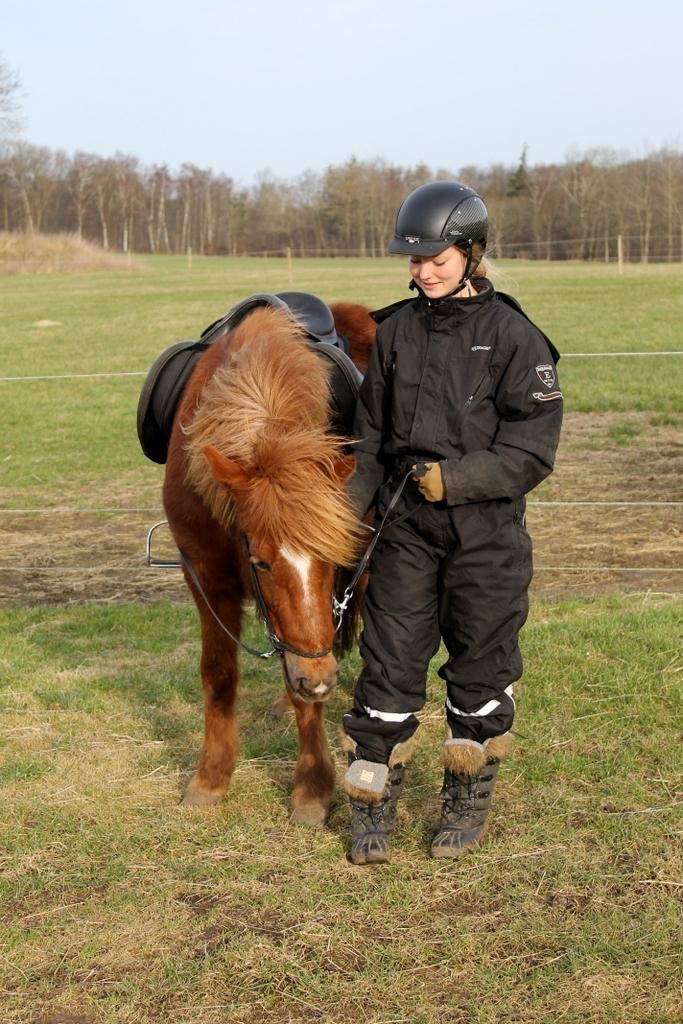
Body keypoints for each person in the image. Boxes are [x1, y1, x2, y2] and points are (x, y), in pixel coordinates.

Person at [341, 181, 563, 865]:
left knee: (480, 671)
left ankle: (464, 800)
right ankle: (370, 804)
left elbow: (531, 450)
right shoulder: (397, 334)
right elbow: (371, 441)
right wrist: (347, 521)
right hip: (405, 532)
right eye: (412, 262)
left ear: (470, 253)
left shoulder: (515, 338)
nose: (422, 272)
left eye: (435, 259)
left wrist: (458, 479)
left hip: (487, 538)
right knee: (387, 670)